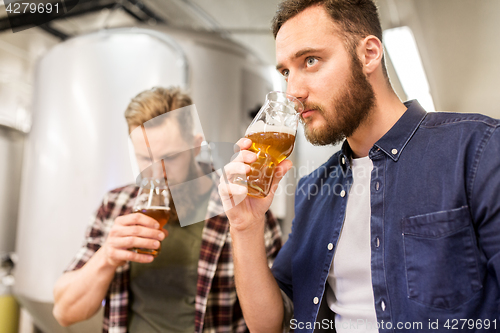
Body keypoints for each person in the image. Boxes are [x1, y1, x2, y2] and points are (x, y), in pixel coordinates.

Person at [219, 1, 500, 332]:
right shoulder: (312, 191)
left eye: (310, 61)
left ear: (369, 54)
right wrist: (246, 228)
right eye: (285, 72)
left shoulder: (478, 149)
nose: (293, 91)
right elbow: (272, 324)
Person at [52, 87, 283, 333]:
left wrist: (246, 229)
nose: (157, 173)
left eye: (170, 158)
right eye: (144, 159)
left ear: (195, 147)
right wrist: (107, 256)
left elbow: (275, 324)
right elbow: (64, 313)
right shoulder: (115, 205)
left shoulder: (242, 207)